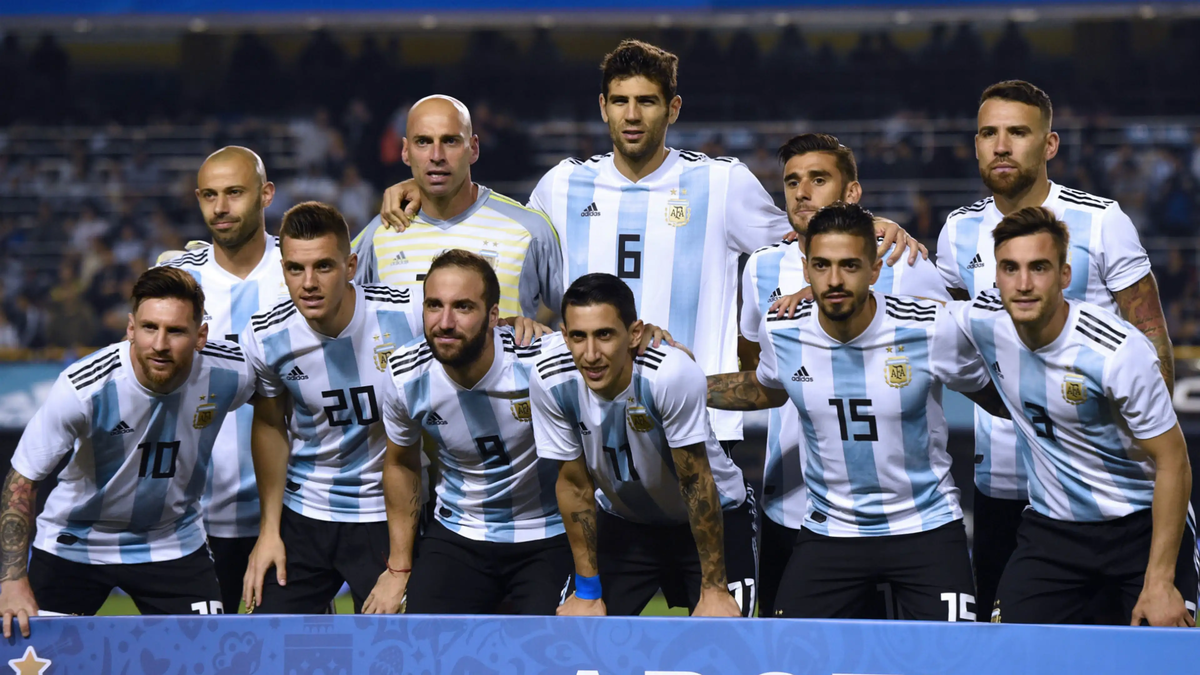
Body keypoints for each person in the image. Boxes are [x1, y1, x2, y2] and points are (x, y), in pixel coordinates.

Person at [378, 40, 924, 455]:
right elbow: (501, 225)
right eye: (620, 101)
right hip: (591, 423)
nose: (632, 115)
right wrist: (421, 188)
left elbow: (805, 231)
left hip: (700, 425)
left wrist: (868, 222)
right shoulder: (561, 185)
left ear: (674, 108)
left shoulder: (721, 182)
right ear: (603, 107)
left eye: (647, 101)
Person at [935, 80, 1170, 619]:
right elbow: (958, 338)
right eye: (988, 133)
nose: (1001, 146)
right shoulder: (958, 231)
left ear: (1049, 144)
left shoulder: (1100, 221)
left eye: (1017, 132)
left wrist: (1145, 440)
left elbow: (1152, 339)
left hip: (1108, 483)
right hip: (1003, 478)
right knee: (1012, 645)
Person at [707, 203, 1008, 620]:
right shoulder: (781, 331)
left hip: (926, 528)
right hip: (829, 532)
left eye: (849, 265)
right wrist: (685, 387)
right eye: (822, 265)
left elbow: (1000, 399)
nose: (834, 280)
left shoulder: (929, 328)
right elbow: (764, 389)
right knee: (785, 651)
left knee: (953, 654)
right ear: (806, 270)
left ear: (874, 270)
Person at [945, 206, 1196, 626]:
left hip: (1140, 527)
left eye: (1039, 267)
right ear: (996, 276)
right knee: (1007, 652)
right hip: (1052, 531)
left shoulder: (1117, 352)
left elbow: (1174, 461)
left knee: (1161, 651)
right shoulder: (982, 322)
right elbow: (899, 312)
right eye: (1010, 268)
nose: (1024, 284)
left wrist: (1159, 581)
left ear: (1064, 275)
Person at [741, 133, 949, 617]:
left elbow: (951, 352)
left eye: (819, 179)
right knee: (792, 651)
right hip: (791, 504)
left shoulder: (902, 261)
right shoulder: (760, 268)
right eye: (792, 181)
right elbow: (758, 369)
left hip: (901, 517)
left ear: (852, 192)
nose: (802, 192)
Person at [0, 268, 257, 638]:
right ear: (131, 328)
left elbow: (279, 404)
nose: (160, 344)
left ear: (201, 335)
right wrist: (12, 581)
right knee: (38, 657)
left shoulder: (232, 371)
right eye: (150, 328)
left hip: (172, 542)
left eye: (176, 331)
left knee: (209, 654)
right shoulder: (83, 388)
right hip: (75, 544)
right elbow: (22, 480)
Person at [530, 273, 756, 617]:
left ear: (634, 333)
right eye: (578, 336)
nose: (591, 354)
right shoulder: (551, 379)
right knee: (575, 638)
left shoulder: (668, 374)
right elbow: (575, 486)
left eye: (604, 335)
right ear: (564, 336)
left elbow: (695, 482)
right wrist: (588, 591)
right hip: (625, 522)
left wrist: (713, 588)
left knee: (725, 640)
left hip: (715, 514)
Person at [238, 201, 425, 615]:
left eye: (323, 266)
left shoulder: (408, 314)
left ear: (351, 265)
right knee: (267, 638)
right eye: (295, 269)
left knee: (396, 645)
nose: (308, 283)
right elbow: (269, 425)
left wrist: (518, 325)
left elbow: (471, 327)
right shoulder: (266, 337)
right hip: (305, 511)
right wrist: (268, 531)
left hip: (387, 516)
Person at [380, 249, 571, 614]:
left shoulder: (541, 359)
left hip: (548, 532)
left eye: (463, 307)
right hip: (459, 531)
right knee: (422, 639)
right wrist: (399, 566)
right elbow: (401, 463)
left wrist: (650, 340)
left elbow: (612, 351)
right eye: (434, 305)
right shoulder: (405, 374)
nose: (445, 322)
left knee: (548, 643)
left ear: (493, 316)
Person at [159, 145, 287, 614]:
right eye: (209, 195)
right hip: (194, 520)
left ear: (266, 194)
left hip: (292, 515)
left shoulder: (302, 269)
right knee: (199, 652)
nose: (221, 207)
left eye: (234, 192)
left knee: (288, 649)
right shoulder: (175, 281)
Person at [351, 95, 563, 321]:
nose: (436, 156)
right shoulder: (380, 233)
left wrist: (540, 333)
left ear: (473, 148)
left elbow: (577, 308)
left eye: (450, 141)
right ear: (405, 151)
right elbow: (331, 308)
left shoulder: (529, 230)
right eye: (423, 142)